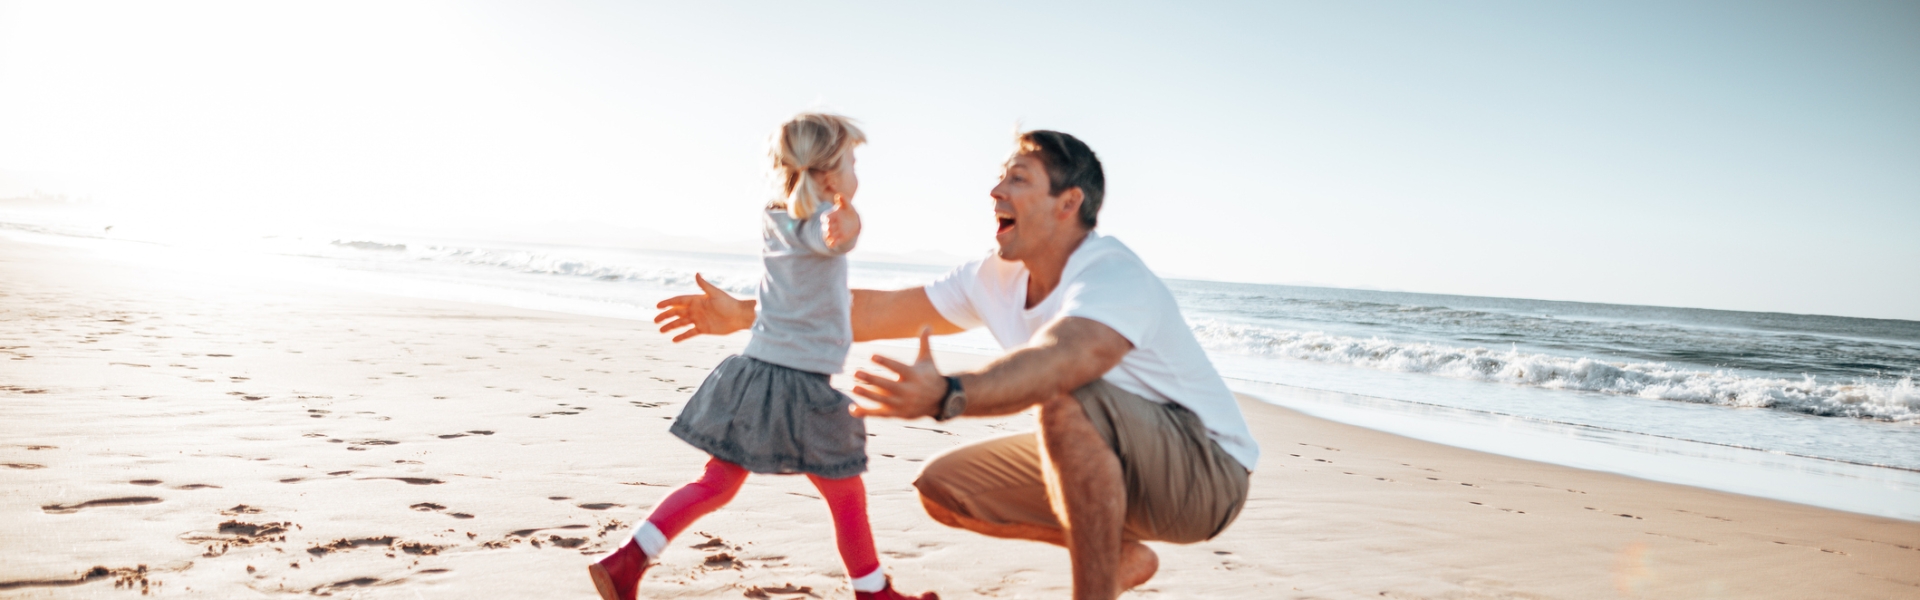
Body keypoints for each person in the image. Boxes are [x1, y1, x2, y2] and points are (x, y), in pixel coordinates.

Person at [654, 130, 1259, 600]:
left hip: (1206, 473)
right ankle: (1119, 558)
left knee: (1066, 399)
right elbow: (873, 309)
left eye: (1017, 180)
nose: (995, 193)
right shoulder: (993, 278)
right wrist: (747, 314)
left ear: (1068, 202)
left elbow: (1069, 357)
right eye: (998, 180)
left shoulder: (1109, 271)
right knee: (947, 488)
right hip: (1119, 459)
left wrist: (949, 392)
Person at [589, 113, 937, 600]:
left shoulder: (776, 218)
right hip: (800, 387)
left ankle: (628, 559)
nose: (858, 171)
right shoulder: (820, 224)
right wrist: (847, 219)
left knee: (717, 483)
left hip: (752, 375)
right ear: (829, 173)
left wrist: (838, 219)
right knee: (846, 494)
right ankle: (872, 591)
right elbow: (836, 236)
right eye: (852, 161)